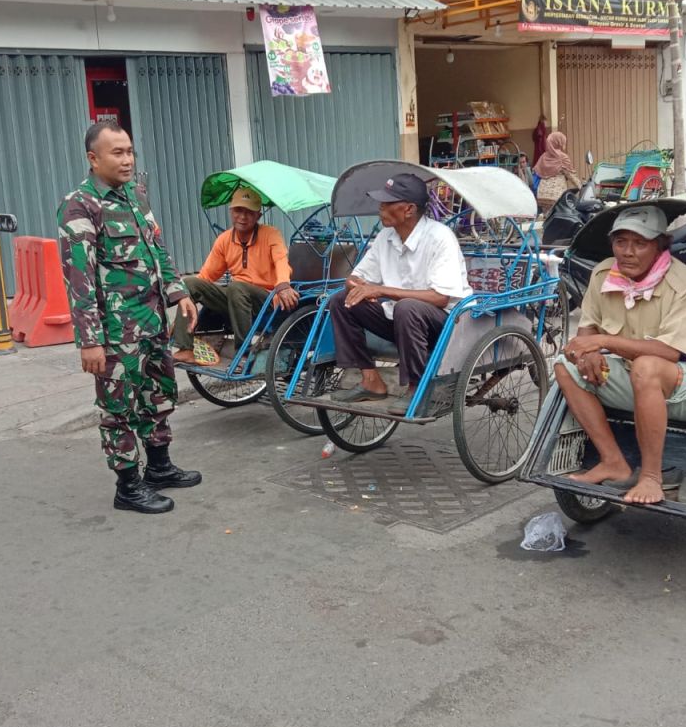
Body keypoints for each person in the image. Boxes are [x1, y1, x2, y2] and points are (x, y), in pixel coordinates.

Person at [554, 204, 686, 505]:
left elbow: (670, 352)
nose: (628, 252)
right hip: (639, 379)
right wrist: (587, 354)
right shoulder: (603, 273)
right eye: (621, 242)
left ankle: (651, 477)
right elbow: (587, 327)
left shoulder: (681, 282)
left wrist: (601, 341)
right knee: (564, 367)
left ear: (660, 246)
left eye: (640, 243)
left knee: (647, 366)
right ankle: (613, 461)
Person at [57, 122, 202, 515]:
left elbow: (158, 249)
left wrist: (179, 293)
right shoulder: (80, 206)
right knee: (119, 408)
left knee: (158, 397)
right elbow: (79, 279)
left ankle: (158, 468)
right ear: (93, 158)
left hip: (152, 321)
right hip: (116, 332)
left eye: (129, 151)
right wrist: (90, 340)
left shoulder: (136, 196)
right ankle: (128, 487)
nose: (126, 159)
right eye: (117, 153)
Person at [328, 172, 472, 415]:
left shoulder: (439, 237)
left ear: (408, 209)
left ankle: (417, 388)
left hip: (447, 323)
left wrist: (381, 289)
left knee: (407, 306)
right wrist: (358, 288)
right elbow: (356, 277)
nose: (380, 209)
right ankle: (370, 379)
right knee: (341, 301)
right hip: (401, 320)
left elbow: (441, 298)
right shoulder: (386, 237)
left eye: (387, 204)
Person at [173, 187, 299, 366]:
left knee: (236, 286)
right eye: (238, 210)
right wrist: (181, 319)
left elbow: (281, 261)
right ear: (231, 211)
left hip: (267, 299)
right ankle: (184, 348)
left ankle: (244, 352)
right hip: (236, 298)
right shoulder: (224, 240)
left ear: (258, 216)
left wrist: (283, 285)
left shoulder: (271, 234)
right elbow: (206, 276)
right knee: (190, 283)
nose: (243, 216)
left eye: (249, 212)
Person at [532, 130, 581, 212]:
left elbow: (536, 172)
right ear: (559, 142)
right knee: (560, 218)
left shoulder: (543, 157)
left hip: (542, 196)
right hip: (557, 196)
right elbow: (571, 175)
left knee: (547, 218)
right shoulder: (562, 157)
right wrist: (581, 187)